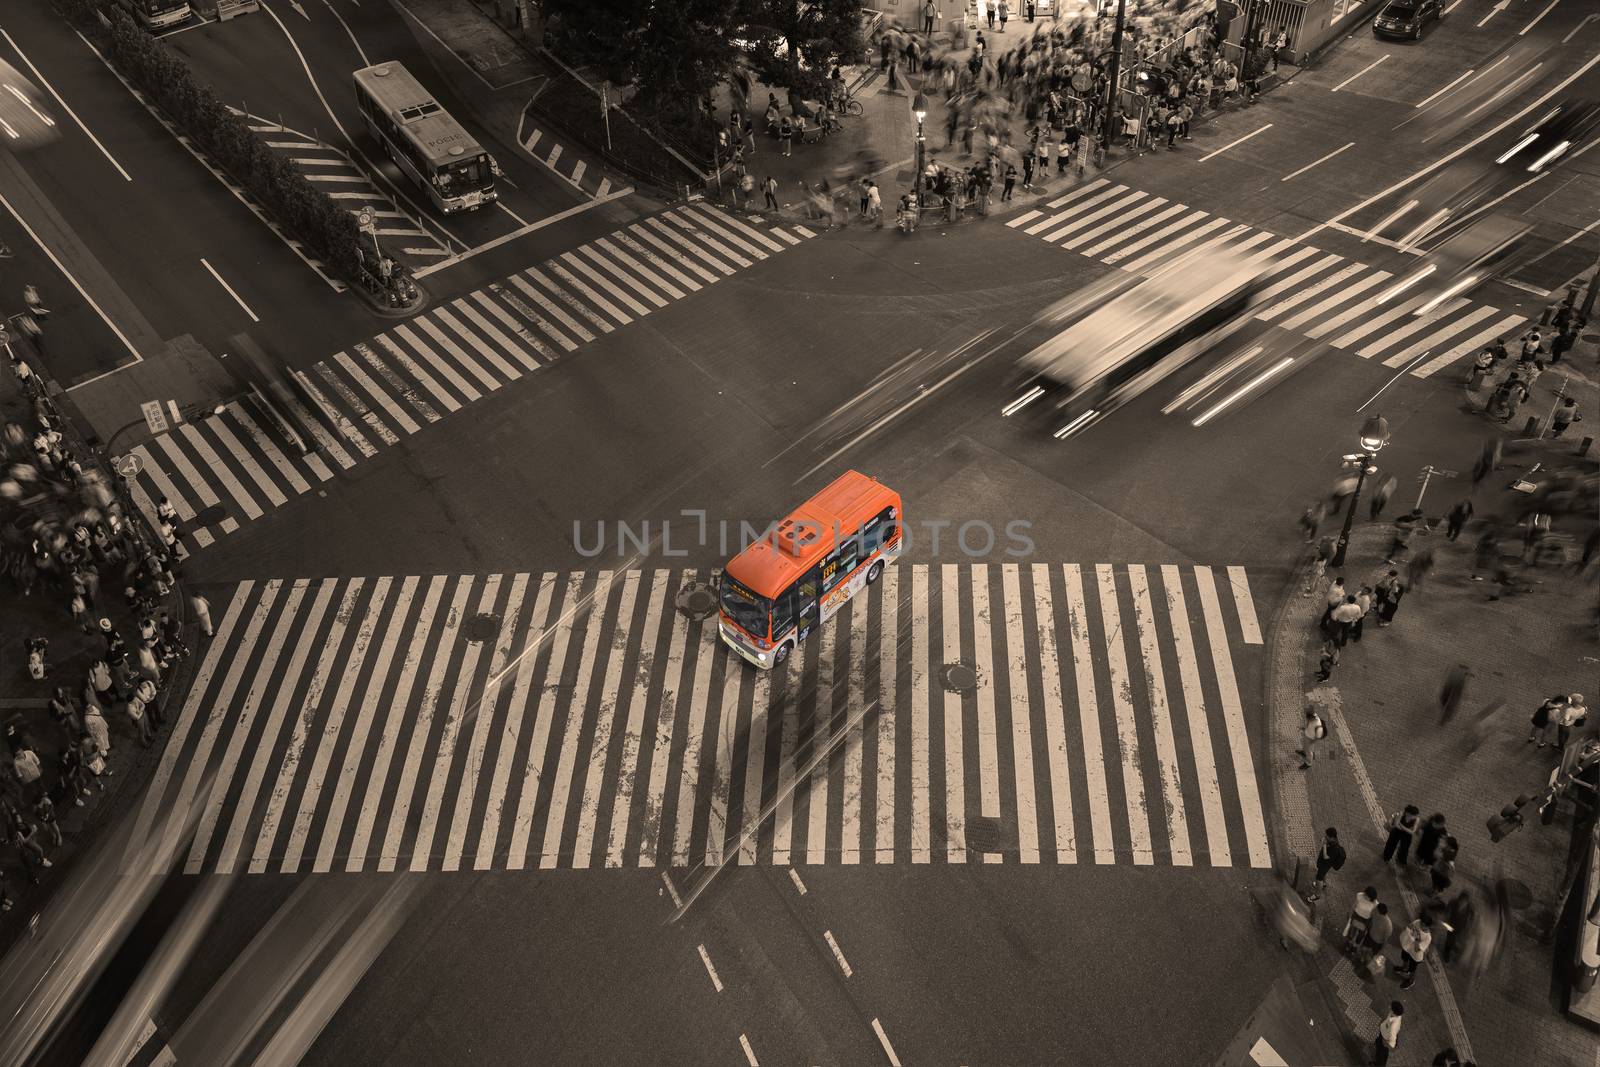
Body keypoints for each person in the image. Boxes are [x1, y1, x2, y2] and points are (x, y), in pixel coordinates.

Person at [1395, 916, 1432, 989]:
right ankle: (1404, 969)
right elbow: (1409, 926)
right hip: (1408, 947)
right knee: (1404, 958)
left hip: (1415, 955)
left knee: (1413, 969)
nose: (1420, 926)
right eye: (1421, 923)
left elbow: (1417, 949)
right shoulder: (1418, 921)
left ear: (1428, 926)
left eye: (1423, 925)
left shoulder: (1428, 937)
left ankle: (1411, 981)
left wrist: (1416, 938)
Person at [1308, 827, 1344, 899]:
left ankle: (1317, 895)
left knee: (1319, 878)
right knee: (1322, 874)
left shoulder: (1334, 848)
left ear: (1331, 837)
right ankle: (1323, 884)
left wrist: (1324, 844)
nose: (1325, 836)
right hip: (1325, 863)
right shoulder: (1334, 841)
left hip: (1325, 864)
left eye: (1326, 835)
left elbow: (1325, 856)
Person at [1343, 886, 1378, 953]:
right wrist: (1350, 914)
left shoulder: (1375, 904)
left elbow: (1374, 914)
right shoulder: (1359, 895)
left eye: (1367, 896)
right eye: (1365, 894)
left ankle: (1355, 946)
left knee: (1360, 935)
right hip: (1356, 916)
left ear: (1371, 897)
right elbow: (1354, 905)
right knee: (1352, 931)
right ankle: (1349, 943)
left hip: (1365, 921)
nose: (1364, 896)